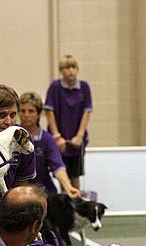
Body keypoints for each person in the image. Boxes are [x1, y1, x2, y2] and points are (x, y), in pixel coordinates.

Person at [0, 84, 36, 210]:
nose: (8, 122)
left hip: (4, 208)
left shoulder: (23, 139)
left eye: (13, 115)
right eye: (1, 115)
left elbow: (20, 188)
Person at [44, 54, 93, 190]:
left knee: (76, 175)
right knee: (62, 173)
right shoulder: (55, 87)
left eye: (73, 67)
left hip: (77, 140)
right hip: (59, 139)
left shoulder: (84, 87)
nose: (70, 70)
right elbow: (49, 111)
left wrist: (80, 136)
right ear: (61, 70)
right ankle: (66, 205)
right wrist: (56, 136)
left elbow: (87, 111)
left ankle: (75, 206)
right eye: (67, 67)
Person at [19, 91, 80, 198]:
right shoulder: (12, 136)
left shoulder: (47, 139)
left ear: (38, 114)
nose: (26, 115)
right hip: (19, 193)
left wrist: (68, 187)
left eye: (31, 111)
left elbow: (58, 167)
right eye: (22, 111)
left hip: (44, 193)